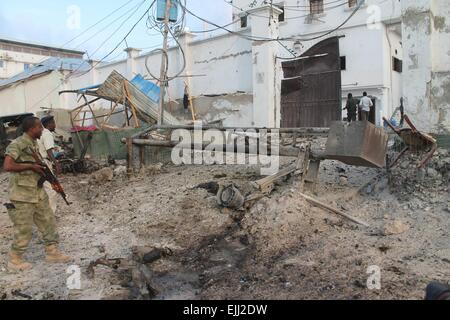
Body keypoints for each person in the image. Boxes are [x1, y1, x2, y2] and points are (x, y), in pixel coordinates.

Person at [4, 116, 72, 272]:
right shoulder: (18, 144)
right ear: (31, 129)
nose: (42, 130)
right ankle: (14, 260)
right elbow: (8, 165)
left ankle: (52, 252)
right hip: (22, 195)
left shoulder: (33, 144)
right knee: (23, 228)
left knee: (48, 222)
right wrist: (31, 166)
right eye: (40, 127)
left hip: (37, 192)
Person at [37, 115, 61, 214]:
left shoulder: (41, 133)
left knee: (41, 188)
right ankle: (50, 215)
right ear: (49, 124)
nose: (55, 125)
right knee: (52, 190)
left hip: (38, 162)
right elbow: (49, 151)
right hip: (44, 162)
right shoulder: (47, 134)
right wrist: (56, 164)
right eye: (53, 123)